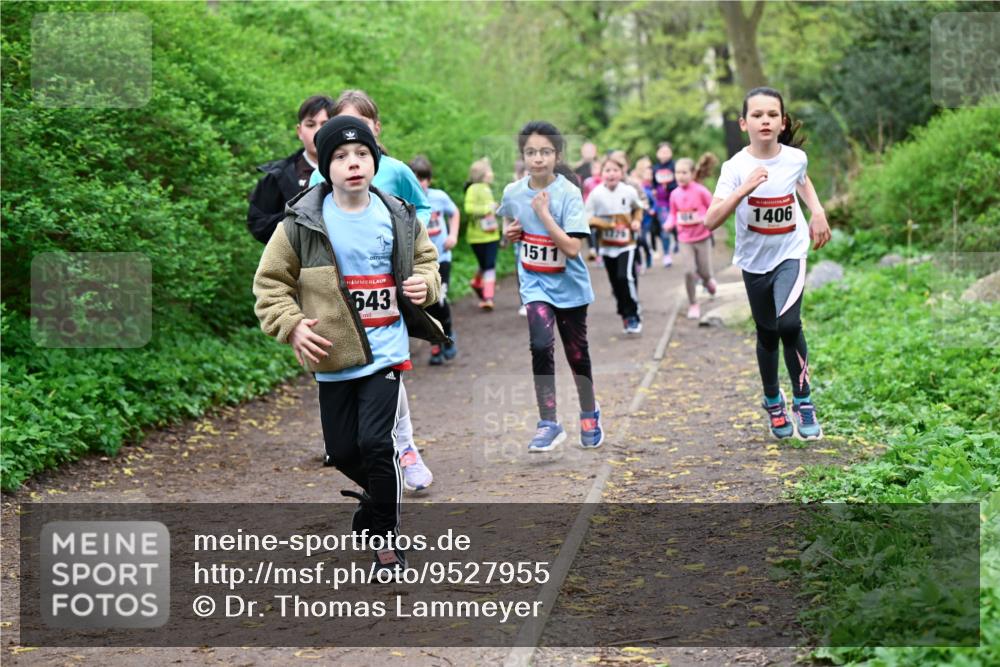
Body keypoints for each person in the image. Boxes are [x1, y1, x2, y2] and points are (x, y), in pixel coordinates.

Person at [253, 117, 446, 571]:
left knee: (376, 444)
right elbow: (269, 284)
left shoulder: (397, 213)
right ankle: (382, 496)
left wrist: (425, 284)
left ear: (374, 161)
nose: (352, 163)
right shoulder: (302, 222)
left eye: (361, 155)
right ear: (324, 166)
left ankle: (385, 538)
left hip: (386, 352)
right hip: (334, 354)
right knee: (342, 451)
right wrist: (292, 325)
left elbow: (427, 262)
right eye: (340, 156)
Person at [307, 90, 435, 492]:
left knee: (384, 379)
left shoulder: (394, 171)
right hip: (337, 321)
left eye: (361, 132)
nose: (350, 157)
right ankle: (378, 469)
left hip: (387, 313)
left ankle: (404, 448)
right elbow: (304, 223)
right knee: (348, 439)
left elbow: (421, 212)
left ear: (376, 131)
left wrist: (416, 270)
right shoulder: (319, 179)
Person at [704, 87, 832, 442]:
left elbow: (802, 182)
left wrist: (817, 211)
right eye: (757, 115)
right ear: (745, 123)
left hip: (790, 253)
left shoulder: (795, 158)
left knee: (789, 324)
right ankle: (773, 400)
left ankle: (803, 400)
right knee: (767, 333)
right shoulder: (735, 168)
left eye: (772, 115)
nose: (765, 120)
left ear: (782, 122)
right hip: (754, 261)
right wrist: (742, 190)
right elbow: (710, 221)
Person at [499, 121, 604, 452]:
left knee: (577, 355)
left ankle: (589, 412)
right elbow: (507, 223)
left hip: (570, 287)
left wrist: (544, 215)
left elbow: (573, 248)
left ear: (557, 155)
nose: (538, 159)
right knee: (541, 345)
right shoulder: (513, 192)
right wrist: (509, 234)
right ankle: (549, 422)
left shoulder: (569, 193)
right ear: (523, 156)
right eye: (531, 152)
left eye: (545, 152)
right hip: (535, 284)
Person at [247, 94, 334, 243]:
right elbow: (258, 224)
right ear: (299, 131)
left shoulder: (354, 170)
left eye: (325, 124)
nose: (318, 132)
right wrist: (298, 218)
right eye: (311, 125)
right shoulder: (279, 175)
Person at [586, 155, 645, 335]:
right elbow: (586, 218)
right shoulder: (596, 194)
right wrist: (605, 223)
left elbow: (638, 208)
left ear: (622, 172)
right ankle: (624, 312)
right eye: (607, 170)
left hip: (627, 244)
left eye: (615, 170)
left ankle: (633, 314)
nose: (611, 174)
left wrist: (636, 221)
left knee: (624, 277)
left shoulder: (628, 191)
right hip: (607, 245)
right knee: (615, 283)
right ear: (601, 173)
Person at [409, 155, 459, 364]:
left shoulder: (439, 197)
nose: (421, 182)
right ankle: (436, 345)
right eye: (416, 178)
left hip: (442, 257)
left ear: (429, 179)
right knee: (426, 302)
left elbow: (454, 212)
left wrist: (453, 235)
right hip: (420, 262)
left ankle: (447, 333)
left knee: (440, 298)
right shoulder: (405, 200)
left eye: (424, 178)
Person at [666, 157, 717, 320]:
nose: (680, 176)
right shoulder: (674, 194)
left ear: (693, 173)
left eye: (684, 172)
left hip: (702, 238)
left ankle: (708, 281)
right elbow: (673, 214)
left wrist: (704, 217)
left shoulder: (701, 191)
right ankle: (693, 303)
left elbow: (714, 207)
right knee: (689, 271)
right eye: (677, 173)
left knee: (704, 271)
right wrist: (669, 223)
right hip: (684, 239)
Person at [464, 157, 501, 310]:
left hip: (492, 235)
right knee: (484, 265)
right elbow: (468, 209)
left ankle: (488, 298)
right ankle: (477, 282)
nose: (492, 174)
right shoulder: (473, 189)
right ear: (483, 174)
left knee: (489, 265)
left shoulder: (487, 188)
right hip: (477, 237)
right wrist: (488, 208)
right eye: (490, 171)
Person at [652, 142, 678, 267]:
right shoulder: (655, 168)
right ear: (657, 154)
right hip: (662, 203)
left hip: (676, 201)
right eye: (662, 152)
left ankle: (679, 242)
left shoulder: (675, 166)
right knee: (665, 227)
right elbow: (652, 184)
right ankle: (666, 254)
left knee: (677, 226)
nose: (664, 154)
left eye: (667, 151)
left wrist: (669, 187)